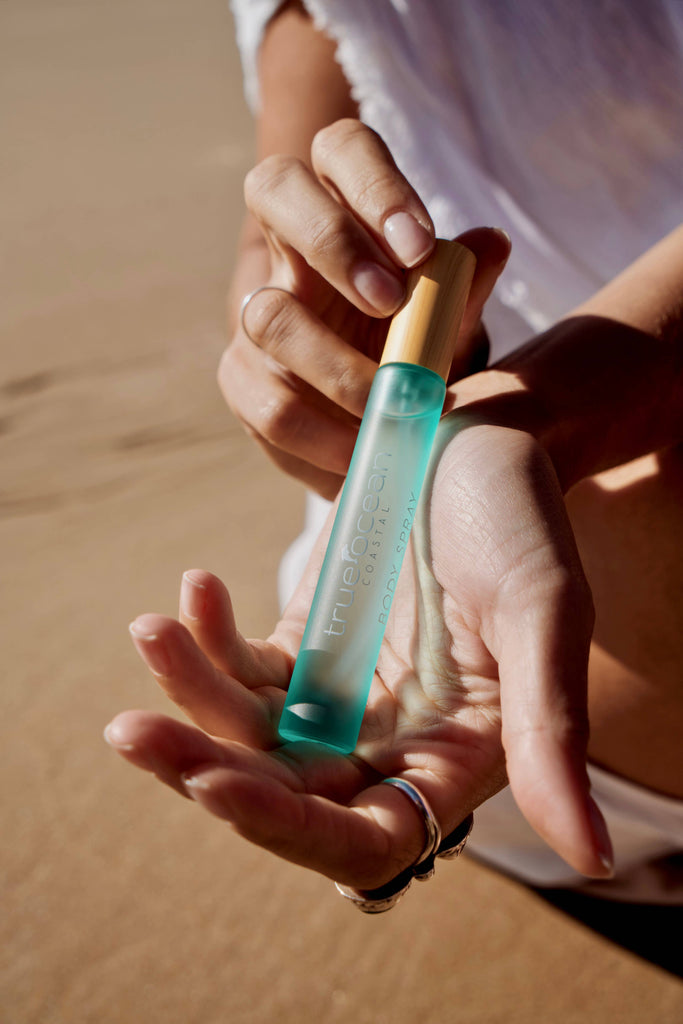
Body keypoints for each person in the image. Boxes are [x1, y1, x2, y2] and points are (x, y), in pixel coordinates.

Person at [105, 1, 683, 907]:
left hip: (543, 633)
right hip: (445, 665)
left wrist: (533, 414)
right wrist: (281, 336)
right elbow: (266, 242)